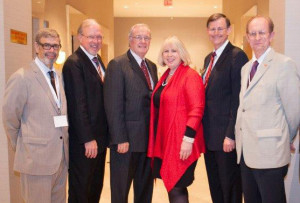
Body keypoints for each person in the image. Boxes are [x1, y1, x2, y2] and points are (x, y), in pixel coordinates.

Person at [235, 16, 300, 203]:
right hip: (246, 152)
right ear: (247, 37)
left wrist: (286, 137)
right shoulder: (246, 68)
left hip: (270, 151)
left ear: (271, 35)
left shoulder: (284, 65)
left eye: (261, 33)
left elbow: (294, 111)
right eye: (252, 34)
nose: (257, 38)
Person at [2, 28, 68, 203]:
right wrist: (25, 146)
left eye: (56, 46)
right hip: (36, 161)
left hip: (60, 159)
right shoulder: (22, 77)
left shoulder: (59, 76)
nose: (52, 50)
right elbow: (10, 117)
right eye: (47, 45)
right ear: (37, 47)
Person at [147, 36, 206, 203]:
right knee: (171, 185)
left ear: (182, 53)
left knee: (177, 186)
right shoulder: (165, 76)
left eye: (174, 50)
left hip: (182, 141)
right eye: (166, 51)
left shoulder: (190, 75)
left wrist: (188, 140)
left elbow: (197, 109)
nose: (169, 54)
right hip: (165, 141)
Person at [104, 23, 158, 203]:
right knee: (121, 192)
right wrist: (120, 138)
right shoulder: (117, 64)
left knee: (145, 190)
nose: (143, 41)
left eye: (146, 38)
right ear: (130, 40)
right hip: (125, 143)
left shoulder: (151, 66)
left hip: (147, 142)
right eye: (138, 37)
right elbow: (113, 105)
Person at [201, 13, 248, 203]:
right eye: (212, 29)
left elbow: (239, 100)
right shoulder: (208, 59)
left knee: (231, 189)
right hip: (209, 136)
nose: (216, 32)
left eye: (220, 28)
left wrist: (231, 135)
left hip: (226, 139)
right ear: (207, 31)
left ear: (228, 31)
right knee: (216, 187)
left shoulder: (237, 56)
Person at [62, 19, 108, 203]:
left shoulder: (98, 61)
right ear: (80, 37)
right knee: (81, 190)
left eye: (99, 37)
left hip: (100, 139)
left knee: (95, 187)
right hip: (85, 142)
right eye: (91, 36)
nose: (96, 41)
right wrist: (88, 139)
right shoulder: (74, 63)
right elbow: (77, 105)